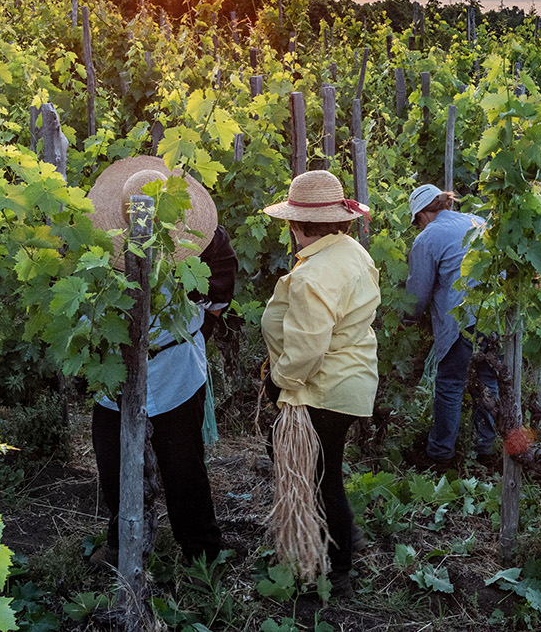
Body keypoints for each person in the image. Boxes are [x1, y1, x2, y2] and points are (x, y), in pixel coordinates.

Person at [85, 154, 226, 568]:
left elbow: (220, 296)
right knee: (113, 465)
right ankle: (122, 540)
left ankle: (202, 553)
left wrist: (191, 330)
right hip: (114, 372)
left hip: (176, 369)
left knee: (183, 467)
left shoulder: (207, 241)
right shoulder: (97, 248)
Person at [260, 170, 379, 594]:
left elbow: (308, 348)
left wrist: (279, 381)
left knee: (320, 478)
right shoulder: (351, 252)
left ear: (296, 225)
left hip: (321, 389)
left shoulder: (314, 276)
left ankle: (337, 568)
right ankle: (339, 544)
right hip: (349, 379)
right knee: (326, 472)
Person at [403, 184, 498, 470]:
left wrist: (406, 320)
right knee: (490, 381)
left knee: (450, 385)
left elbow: (417, 295)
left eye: (416, 221)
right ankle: (487, 449)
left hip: (462, 317)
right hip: (496, 313)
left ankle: (441, 454)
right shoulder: (477, 221)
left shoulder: (427, 238)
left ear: (421, 215)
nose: (417, 227)